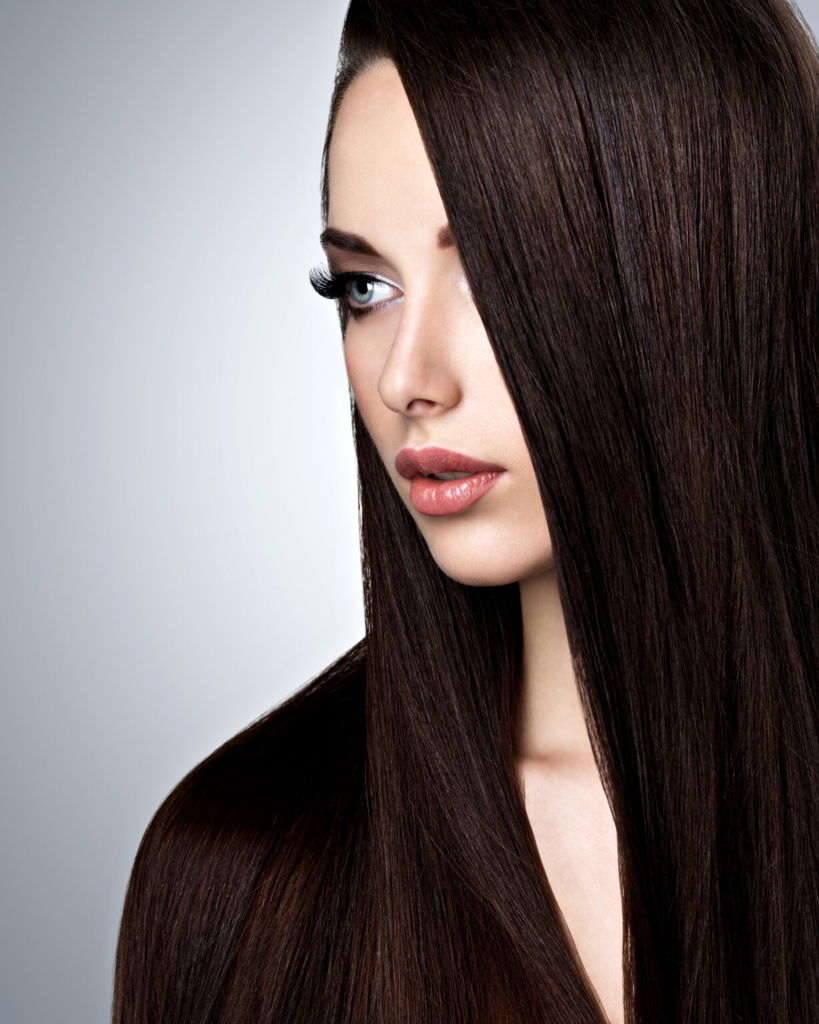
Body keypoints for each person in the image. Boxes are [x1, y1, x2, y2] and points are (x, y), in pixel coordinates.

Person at [112, 1, 819, 1022]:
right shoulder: (244, 875)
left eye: (486, 266)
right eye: (364, 288)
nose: (406, 377)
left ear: (700, 267)